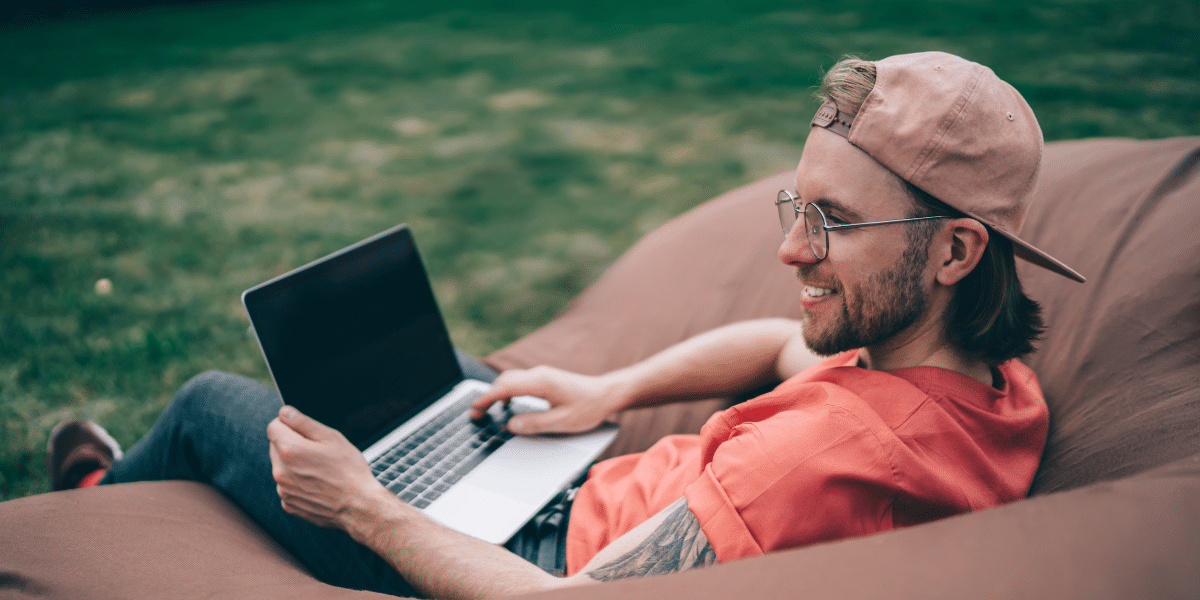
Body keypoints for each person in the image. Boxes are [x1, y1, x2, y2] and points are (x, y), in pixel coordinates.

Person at [47, 51, 1083, 599]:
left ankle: (98, 506)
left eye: (837, 224)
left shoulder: (811, 461)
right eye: (797, 207)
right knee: (433, 392)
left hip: (516, 556)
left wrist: (365, 511)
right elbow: (776, 350)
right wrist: (608, 391)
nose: (791, 251)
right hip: (580, 492)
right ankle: (416, 446)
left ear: (954, 252)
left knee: (210, 407)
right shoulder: (986, 389)